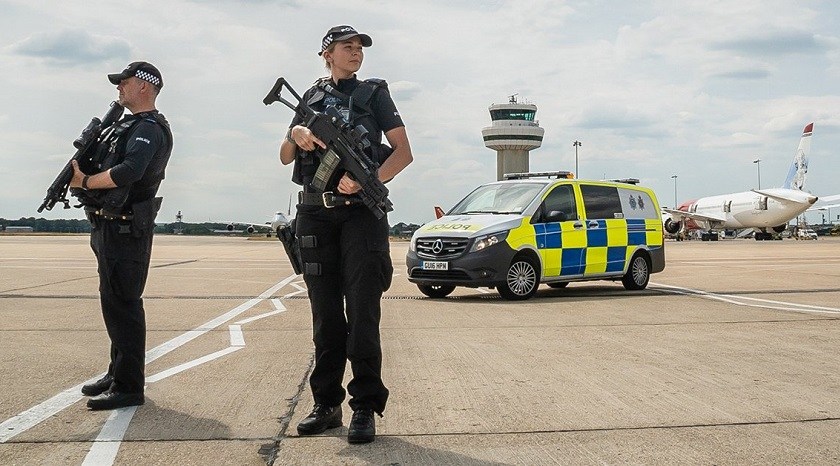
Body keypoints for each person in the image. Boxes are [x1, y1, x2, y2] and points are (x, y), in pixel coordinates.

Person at [278, 25, 413, 444]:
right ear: (327, 53)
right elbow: (285, 158)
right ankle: (326, 404)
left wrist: (368, 178)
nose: (356, 53)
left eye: (359, 48)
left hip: (360, 217)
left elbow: (403, 153)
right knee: (325, 316)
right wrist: (295, 134)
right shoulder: (311, 97)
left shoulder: (374, 94)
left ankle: (365, 406)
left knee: (362, 314)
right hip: (315, 215)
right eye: (347, 47)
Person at [69, 61, 173, 410]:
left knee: (125, 305)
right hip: (107, 225)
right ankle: (117, 372)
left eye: (124, 82)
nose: (119, 88)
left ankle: (129, 386)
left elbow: (130, 171)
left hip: (127, 228)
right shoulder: (125, 126)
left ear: (144, 86)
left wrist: (84, 182)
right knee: (112, 302)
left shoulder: (149, 128)